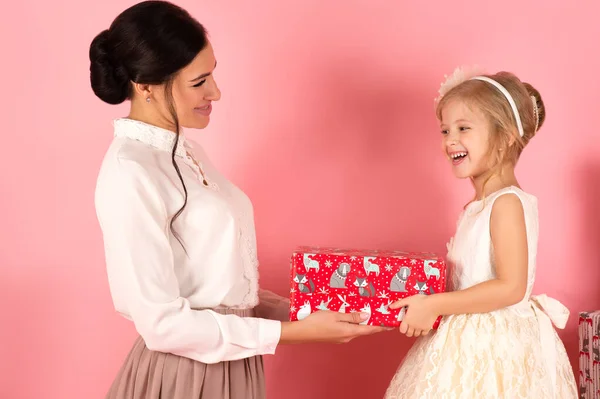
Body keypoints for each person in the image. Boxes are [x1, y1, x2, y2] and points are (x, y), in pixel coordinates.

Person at [89, 1, 386, 398]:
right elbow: (162, 324)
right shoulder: (131, 170)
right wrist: (292, 332)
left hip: (235, 365)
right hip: (186, 375)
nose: (216, 92)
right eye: (199, 82)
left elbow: (221, 288)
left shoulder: (188, 154)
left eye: (213, 75)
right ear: (145, 86)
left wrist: (306, 314)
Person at [383, 67, 578, 398]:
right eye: (445, 130)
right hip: (462, 339)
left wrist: (435, 305)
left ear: (504, 137)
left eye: (463, 128)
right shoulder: (477, 206)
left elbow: (511, 286)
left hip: (496, 347)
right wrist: (418, 302)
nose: (450, 140)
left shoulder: (506, 204)